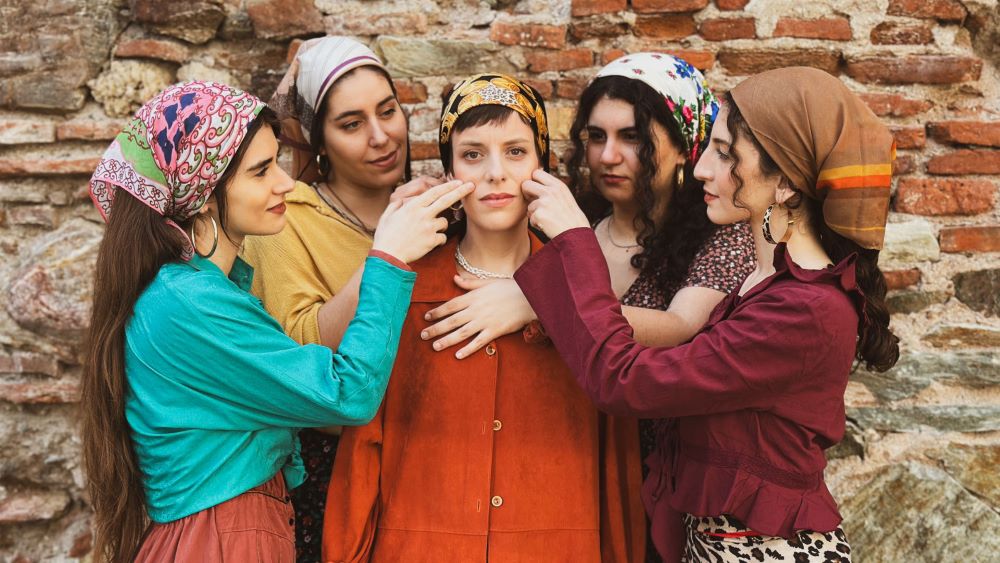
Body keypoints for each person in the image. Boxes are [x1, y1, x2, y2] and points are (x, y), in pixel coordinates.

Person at [514, 67, 899, 562]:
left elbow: (623, 380)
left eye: (725, 153)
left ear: (784, 183)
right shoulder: (766, 281)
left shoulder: (806, 308)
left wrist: (574, 241)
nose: (700, 169)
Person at [80, 81, 471, 562]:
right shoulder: (190, 303)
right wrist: (388, 259)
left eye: (278, 164)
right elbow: (346, 395)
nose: (285, 183)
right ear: (203, 194)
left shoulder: (200, 291)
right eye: (261, 171)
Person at [419, 54, 755, 561]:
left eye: (632, 137)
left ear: (685, 143)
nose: (608, 156)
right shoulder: (572, 224)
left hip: (678, 473)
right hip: (582, 464)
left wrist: (538, 303)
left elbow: (684, 326)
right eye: (596, 137)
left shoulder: (720, 233)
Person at [322, 73, 644, 563]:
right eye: (473, 154)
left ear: (542, 165)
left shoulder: (583, 291)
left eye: (515, 152)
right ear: (450, 171)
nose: (495, 172)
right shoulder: (405, 290)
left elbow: (616, 458)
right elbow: (363, 444)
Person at [240, 37, 453, 560]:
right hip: (337, 471)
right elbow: (302, 351)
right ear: (320, 140)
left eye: (388, 111)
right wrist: (387, 253)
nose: (381, 137)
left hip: (435, 463)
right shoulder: (286, 218)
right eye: (351, 124)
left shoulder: (438, 210)